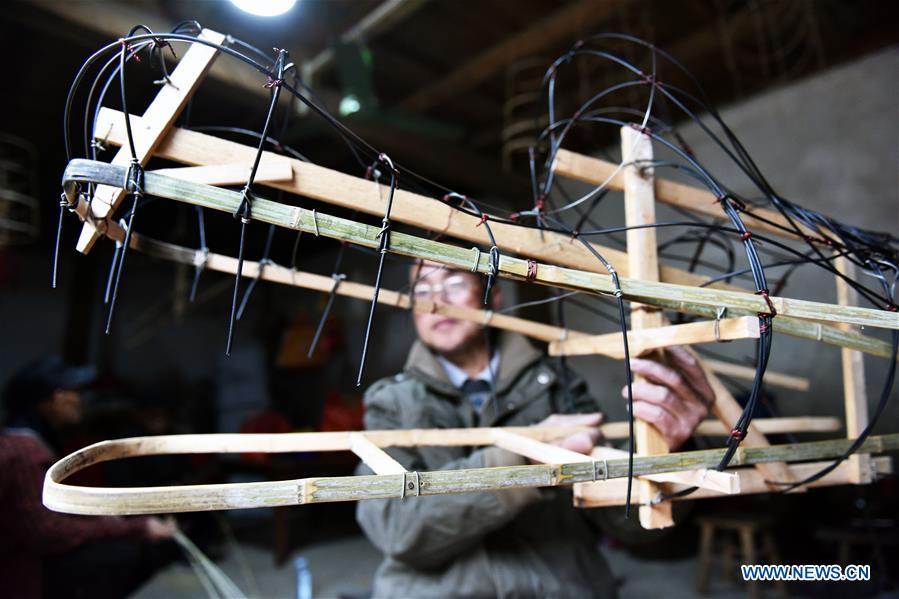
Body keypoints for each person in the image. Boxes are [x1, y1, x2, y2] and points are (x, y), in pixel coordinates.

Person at [356, 261, 716, 598]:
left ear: (492, 297)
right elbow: (398, 532)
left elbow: (623, 523)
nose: (437, 301)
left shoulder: (556, 384)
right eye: (421, 290)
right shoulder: (391, 403)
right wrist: (523, 458)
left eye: (453, 284)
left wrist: (665, 452)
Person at [0, 356, 177, 599]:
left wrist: (107, 517)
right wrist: (134, 528)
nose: (79, 400)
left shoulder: (23, 443)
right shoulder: (25, 453)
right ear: (54, 400)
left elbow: (42, 513)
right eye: (73, 392)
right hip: (22, 574)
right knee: (129, 555)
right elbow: (45, 532)